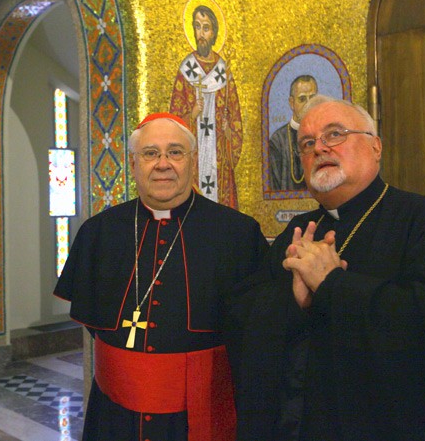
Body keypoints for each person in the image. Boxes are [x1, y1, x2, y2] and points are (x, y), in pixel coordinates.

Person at [229, 95, 425, 440]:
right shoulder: (298, 229)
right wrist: (293, 300)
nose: (319, 148)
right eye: (307, 143)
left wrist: (333, 285)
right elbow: (246, 313)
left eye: (335, 134)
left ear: (375, 147)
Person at [54, 112, 268, 441]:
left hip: (201, 417)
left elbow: (257, 337)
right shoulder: (98, 233)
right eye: (151, 153)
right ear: (134, 162)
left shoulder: (238, 234)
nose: (163, 163)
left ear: (193, 161)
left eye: (175, 152)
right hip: (115, 416)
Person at [170, 5, 243, 209]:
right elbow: (172, 123)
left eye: (206, 28)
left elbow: (235, 117)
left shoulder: (223, 71)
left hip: (218, 159)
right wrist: (191, 115)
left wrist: (229, 131)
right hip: (194, 157)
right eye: (197, 27)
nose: (201, 34)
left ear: (214, 33)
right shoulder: (186, 69)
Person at [268, 75, 317, 191]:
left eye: (313, 98)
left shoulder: (326, 136)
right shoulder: (277, 141)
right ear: (291, 103)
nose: (308, 104)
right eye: (302, 99)